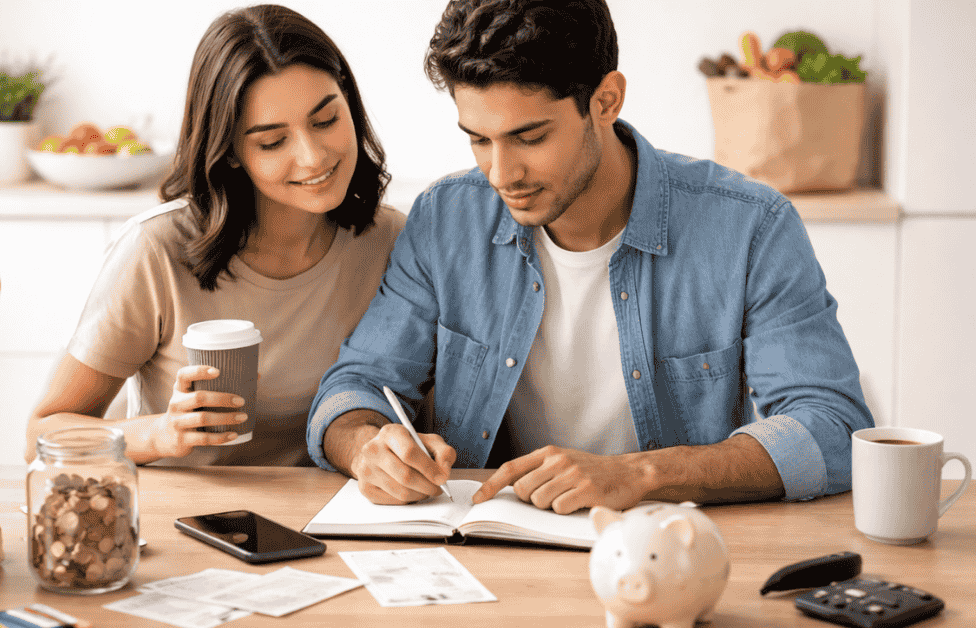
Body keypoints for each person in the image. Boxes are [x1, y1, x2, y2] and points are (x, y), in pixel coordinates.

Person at [307, 0, 874, 512]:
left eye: (530, 138)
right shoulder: (445, 219)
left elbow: (831, 426)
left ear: (605, 101)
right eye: (479, 139)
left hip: (669, 558)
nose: (502, 175)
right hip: (492, 552)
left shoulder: (750, 226)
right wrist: (367, 449)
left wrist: (642, 476)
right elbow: (355, 386)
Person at [27, 4, 404, 466]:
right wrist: (160, 434)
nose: (313, 157)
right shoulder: (157, 251)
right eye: (272, 142)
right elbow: (41, 434)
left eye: (326, 121)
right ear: (228, 151)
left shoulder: (391, 240)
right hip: (188, 522)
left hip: (332, 522)